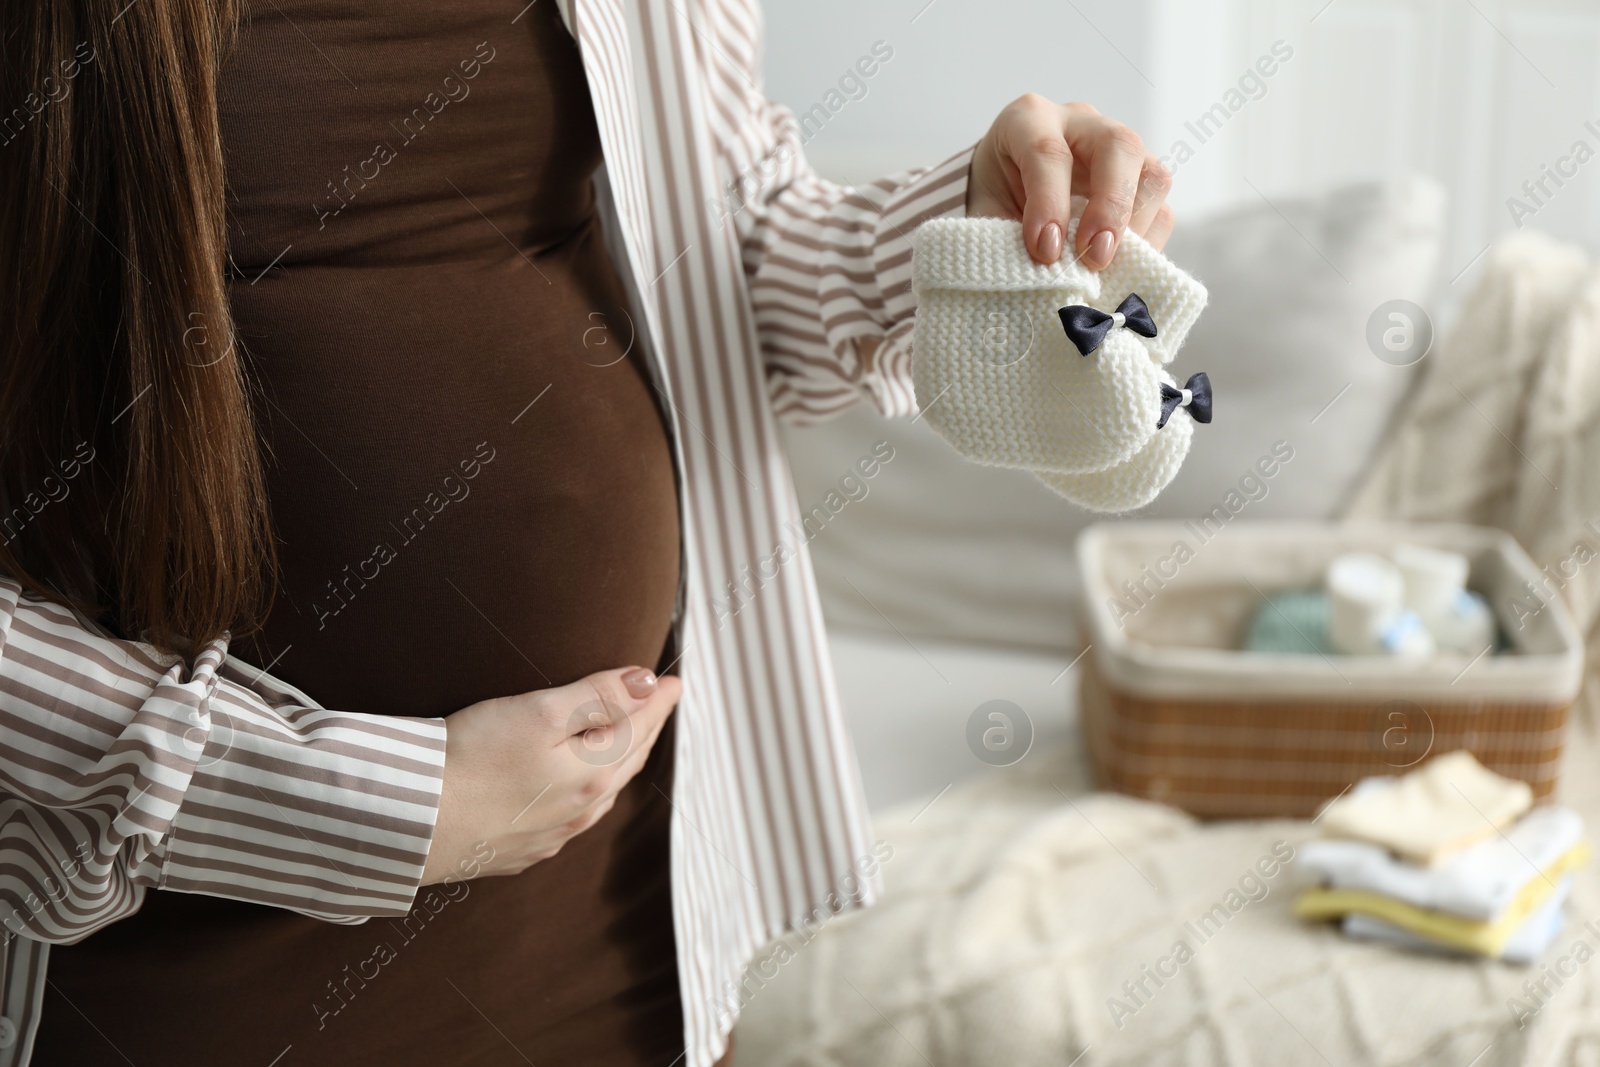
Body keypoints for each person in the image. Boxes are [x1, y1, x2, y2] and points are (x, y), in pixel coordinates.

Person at [0, 1, 1174, 1064]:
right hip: (160, 936)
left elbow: (730, 253)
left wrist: (966, 229)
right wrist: (358, 803)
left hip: (608, 904)